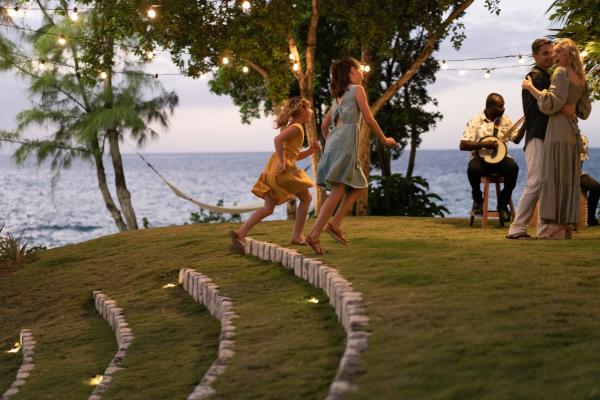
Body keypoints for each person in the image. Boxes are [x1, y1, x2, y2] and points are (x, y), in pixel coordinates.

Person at [304, 57, 396, 254]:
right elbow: (369, 119)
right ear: (352, 71)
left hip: (335, 141)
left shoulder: (337, 97)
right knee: (338, 190)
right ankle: (314, 235)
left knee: (357, 187)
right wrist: (384, 139)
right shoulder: (357, 90)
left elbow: (323, 125)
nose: (363, 72)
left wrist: (331, 144)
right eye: (360, 69)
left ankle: (335, 224)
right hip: (345, 142)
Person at [230, 97, 321, 254]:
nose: (311, 111)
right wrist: (282, 161)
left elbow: (293, 154)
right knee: (306, 199)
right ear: (301, 111)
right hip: (282, 170)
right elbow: (277, 140)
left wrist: (310, 151)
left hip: (272, 170)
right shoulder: (297, 127)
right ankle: (297, 235)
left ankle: (241, 233)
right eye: (309, 108)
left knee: (268, 208)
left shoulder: (289, 127)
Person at [522, 38, 592, 239]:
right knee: (568, 178)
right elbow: (584, 110)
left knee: (553, 177)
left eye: (557, 53)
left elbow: (550, 104)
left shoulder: (561, 72)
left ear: (566, 54)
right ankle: (566, 227)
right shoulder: (580, 76)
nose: (554, 57)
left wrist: (531, 88)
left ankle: (552, 228)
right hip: (573, 131)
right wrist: (572, 108)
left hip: (558, 128)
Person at [506, 38, 554, 239]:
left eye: (551, 52)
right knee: (535, 183)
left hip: (541, 135)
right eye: (545, 53)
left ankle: (542, 228)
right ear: (534, 55)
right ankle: (517, 228)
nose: (550, 56)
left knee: (540, 183)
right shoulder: (535, 76)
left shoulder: (541, 75)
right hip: (537, 136)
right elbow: (547, 106)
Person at [459, 93, 519, 223]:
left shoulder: (506, 120)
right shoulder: (475, 121)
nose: (503, 109)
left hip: (501, 159)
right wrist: (483, 144)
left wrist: (525, 125)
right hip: (481, 159)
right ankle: (478, 199)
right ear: (490, 106)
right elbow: (463, 145)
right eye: (500, 106)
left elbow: (517, 139)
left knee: (513, 168)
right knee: (473, 168)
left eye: (503, 106)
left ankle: (502, 204)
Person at [579, 135, 600, 226]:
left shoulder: (582, 139)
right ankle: (591, 219)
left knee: (596, 187)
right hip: (561, 174)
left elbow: (580, 163)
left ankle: (590, 218)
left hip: (576, 173)